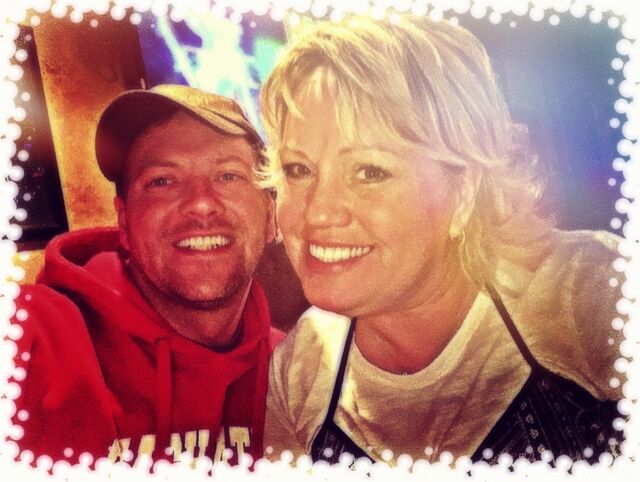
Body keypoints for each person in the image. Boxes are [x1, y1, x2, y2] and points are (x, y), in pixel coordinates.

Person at [259, 15, 625, 465]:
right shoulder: (299, 371)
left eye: (369, 172)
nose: (317, 211)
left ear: (465, 190)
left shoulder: (592, 295)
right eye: (298, 169)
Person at [9, 85, 283, 466]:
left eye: (228, 175)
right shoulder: (31, 333)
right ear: (123, 221)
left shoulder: (298, 374)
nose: (202, 203)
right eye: (161, 181)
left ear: (270, 216)